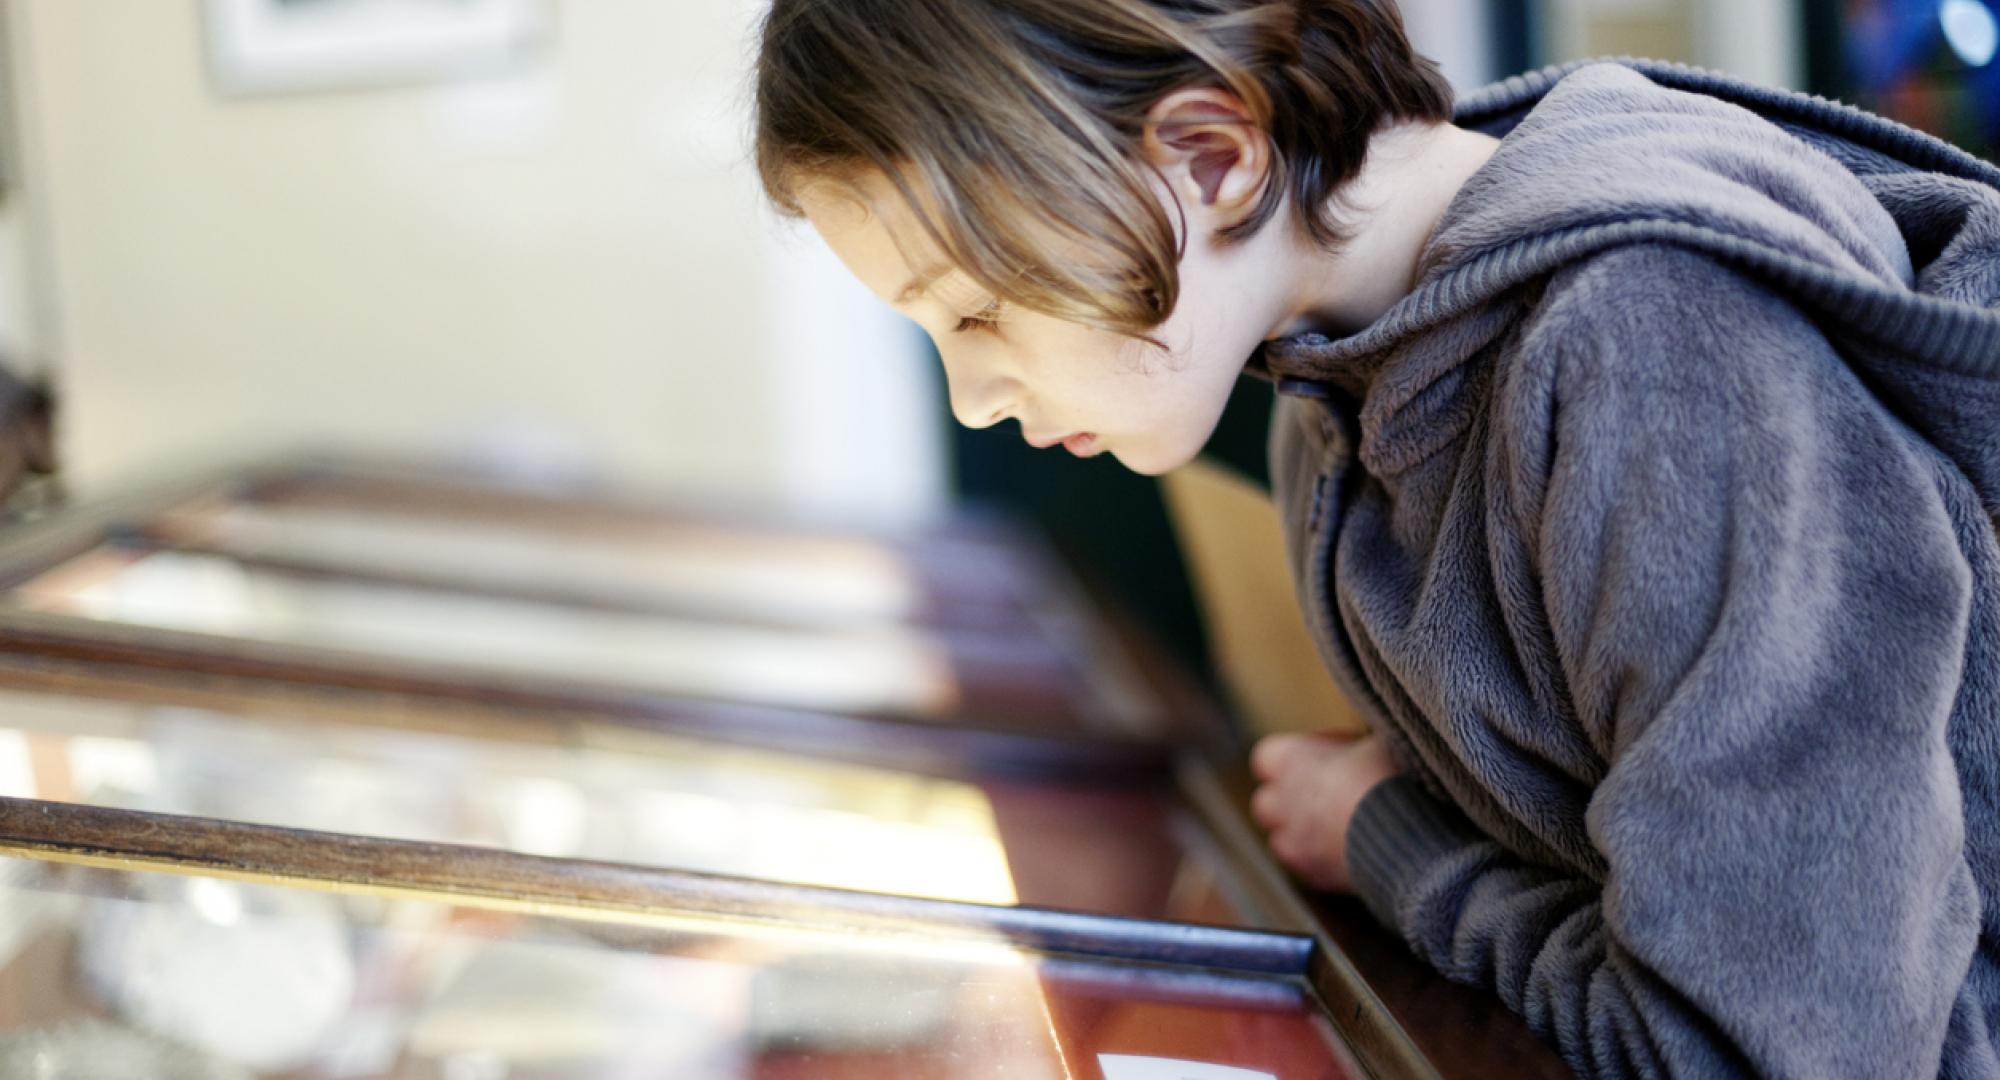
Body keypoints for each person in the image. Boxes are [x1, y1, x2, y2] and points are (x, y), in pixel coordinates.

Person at [751, 1, 2000, 1075]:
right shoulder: (1329, 407)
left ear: (1207, 153)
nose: (973, 398)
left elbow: (1751, 1051)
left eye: (973, 312)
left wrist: (1391, 849)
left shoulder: (1658, 350)